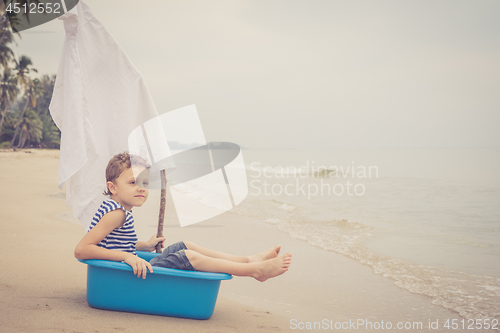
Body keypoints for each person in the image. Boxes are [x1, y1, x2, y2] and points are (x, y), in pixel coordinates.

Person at [74, 152, 292, 281]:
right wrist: (127, 257)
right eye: (133, 183)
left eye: (145, 183)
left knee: (182, 245)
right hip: (122, 275)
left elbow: (113, 242)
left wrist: (144, 246)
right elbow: (82, 249)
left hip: (130, 266)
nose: (141, 189)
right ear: (112, 187)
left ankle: (246, 259)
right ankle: (254, 271)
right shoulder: (116, 214)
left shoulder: (119, 210)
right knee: (189, 256)